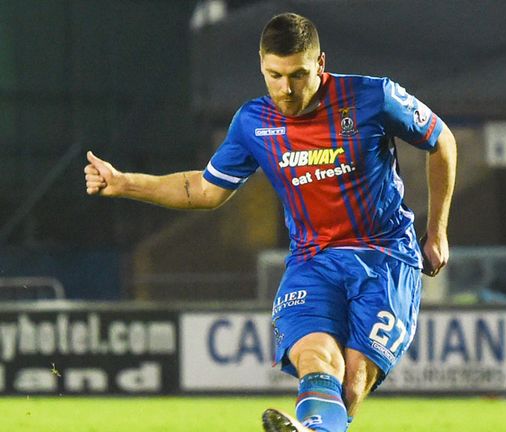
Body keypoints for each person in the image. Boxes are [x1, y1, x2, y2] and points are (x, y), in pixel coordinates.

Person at [83, 12, 456, 432]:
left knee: (352, 380)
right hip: (313, 260)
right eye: (273, 75)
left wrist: (437, 231)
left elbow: (441, 140)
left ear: (320, 64)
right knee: (316, 359)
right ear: (261, 65)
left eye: (297, 74)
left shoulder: (373, 97)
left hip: (385, 258)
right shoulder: (253, 123)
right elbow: (205, 190)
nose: (286, 89)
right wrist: (124, 182)